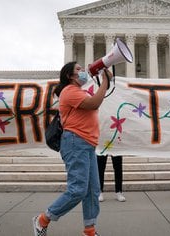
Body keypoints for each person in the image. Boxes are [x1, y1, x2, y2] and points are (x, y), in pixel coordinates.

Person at [32, 62, 111, 236]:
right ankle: (43, 219)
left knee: (92, 191)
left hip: (87, 144)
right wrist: (105, 81)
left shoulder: (78, 92)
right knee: (78, 190)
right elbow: (94, 104)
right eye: (78, 69)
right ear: (69, 76)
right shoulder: (69, 91)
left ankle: (90, 230)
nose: (83, 71)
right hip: (76, 143)